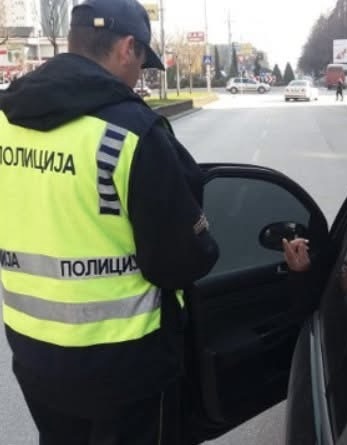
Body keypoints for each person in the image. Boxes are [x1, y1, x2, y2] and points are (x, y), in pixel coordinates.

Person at [0, 0, 219, 444]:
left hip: (33, 353)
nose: (139, 75)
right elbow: (182, 261)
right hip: (126, 369)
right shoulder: (133, 132)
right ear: (126, 47)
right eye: (141, 62)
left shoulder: (6, 121)